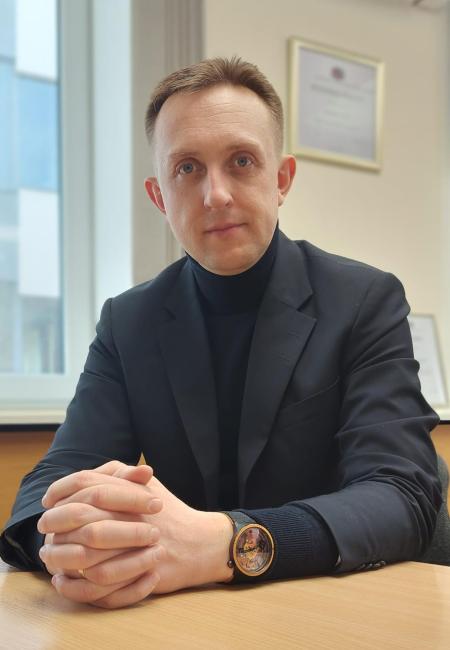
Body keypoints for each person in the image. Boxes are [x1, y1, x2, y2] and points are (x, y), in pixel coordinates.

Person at [0, 57, 442, 609]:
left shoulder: (364, 301)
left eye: (241, 161)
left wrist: (224, 543)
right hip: (193, 615)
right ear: (159, 197)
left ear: (281, 180)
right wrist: (69, 539)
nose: (215, 194)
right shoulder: (128, 322)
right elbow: (51, 485)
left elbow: (402, 495)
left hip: (337, 606)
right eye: (187, 168)